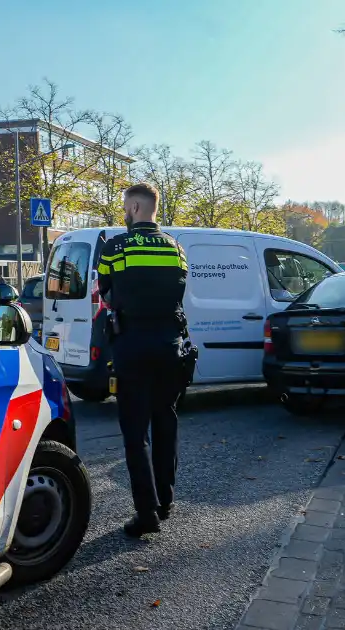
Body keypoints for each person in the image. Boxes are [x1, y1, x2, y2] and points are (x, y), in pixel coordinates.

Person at [97, 182, 190, 538]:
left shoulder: (116, 247)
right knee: (165, 420)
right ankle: (165, 501)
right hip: (170, 345)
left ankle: (146, 511)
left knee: (135, 432)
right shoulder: (176, 248)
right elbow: (179, 293)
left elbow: (105, 293)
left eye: (125, 207)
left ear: (134, 208)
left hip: (131, 345)